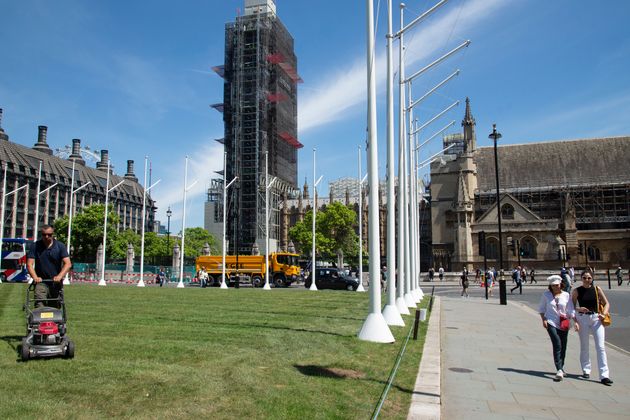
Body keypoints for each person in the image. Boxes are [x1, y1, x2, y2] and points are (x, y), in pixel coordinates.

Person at [572, 269, 613, 386]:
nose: (586, 280)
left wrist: (603, 314)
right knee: (584, 345)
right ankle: (586, 369)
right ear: (581, 278)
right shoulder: (577, 291)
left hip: (596, 318)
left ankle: (604, 375)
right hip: (582, 319)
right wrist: (579, 309)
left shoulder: (597, 289)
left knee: (600, 347)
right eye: (584, 278)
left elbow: (607, 303)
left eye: (589, 278)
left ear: (592, 279)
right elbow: (571, 307)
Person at [538, 275, 576, 381]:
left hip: (564, 322)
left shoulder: (566, 295)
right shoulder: (546, 295)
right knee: (557, 344)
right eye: (553, 286)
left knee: (563, 345)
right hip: (551, 322)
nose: (556, 287)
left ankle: (561, 366)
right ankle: (559, 369)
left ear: (561, 285)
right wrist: (544, 320)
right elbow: (541, 308)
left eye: (557, 285)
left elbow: (570, 309)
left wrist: (575, 321)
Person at [26, 225, 72, 308]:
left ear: (53, 234)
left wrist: (60, 276)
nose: (47, 237)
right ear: (41, 234)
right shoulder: (35, 246)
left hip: (55, 282)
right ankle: (40, 321)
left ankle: (53, 321)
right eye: (44, 235)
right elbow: (29, 264)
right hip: (41, 281)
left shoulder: (60, 246)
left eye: (49, 234)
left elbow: (68, 263)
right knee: (39, 303)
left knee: (55, 305)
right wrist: (35, 277)